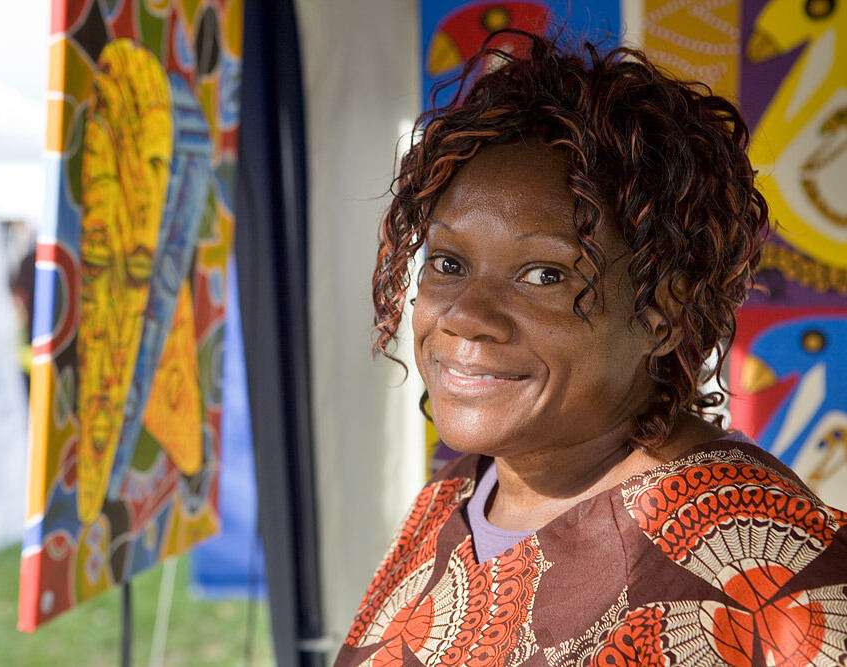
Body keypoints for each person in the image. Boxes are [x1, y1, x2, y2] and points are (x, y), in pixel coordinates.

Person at [335, 31, 847, 667]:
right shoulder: (460, 492)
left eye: (545, 274)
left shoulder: (773, 574)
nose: (465, 316)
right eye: (447, 262)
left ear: (665, 311)